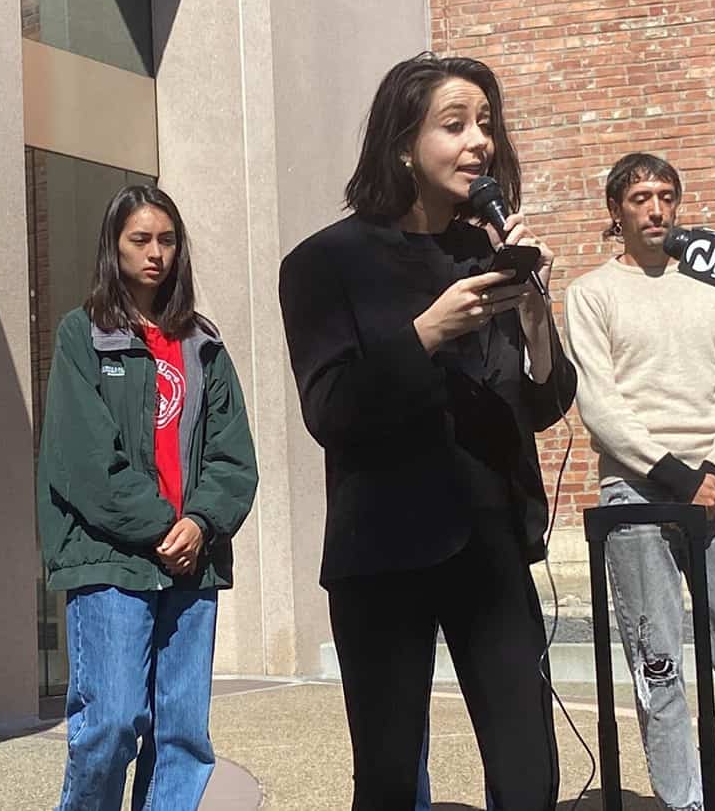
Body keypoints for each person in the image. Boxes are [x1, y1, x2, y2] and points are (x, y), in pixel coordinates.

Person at [279, 53, 576, 810]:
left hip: (492, 546)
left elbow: (539, 405)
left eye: (486, 123)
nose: (479, 141)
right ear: (403, 144)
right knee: (386, 778)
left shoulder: (487, 254)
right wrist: (425, 334)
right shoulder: (323, 263)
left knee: (528, 775)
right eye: (455, 124)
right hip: (382, 554)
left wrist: (538, 313)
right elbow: (331, 412)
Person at [564, 153, 715, 811]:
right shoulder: (590, 293)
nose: (656, 209)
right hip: (635, 490)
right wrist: (672, 477)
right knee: (656, 655)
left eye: (666, 196)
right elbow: (599, 403)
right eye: (640, 198)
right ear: (616, 211)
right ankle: (681, 801)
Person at [37, 184, 259, 810]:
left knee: (182, 736)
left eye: (167, 240)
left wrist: (201, 523)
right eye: (140, 240)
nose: (155, 253)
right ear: (114, 247)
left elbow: (233, 457)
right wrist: (164, 527)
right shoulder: (83, 335)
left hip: (193, 561)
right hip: (111, 559)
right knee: (109, 724)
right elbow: (83, 462)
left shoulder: (203, 345)